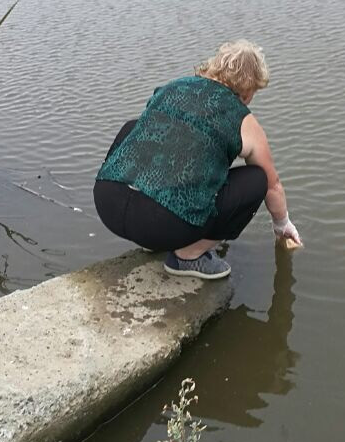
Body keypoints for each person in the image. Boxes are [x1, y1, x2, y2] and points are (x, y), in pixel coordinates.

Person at [94, 40, 302, 279]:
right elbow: (273, 185)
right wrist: (282, 224)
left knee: (134, 127)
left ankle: (151, 240)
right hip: (161, 224)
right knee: (257, 179)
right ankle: (188, 257)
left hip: (108, 205)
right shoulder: (241, 118)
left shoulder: (172, 87)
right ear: (248, 89)